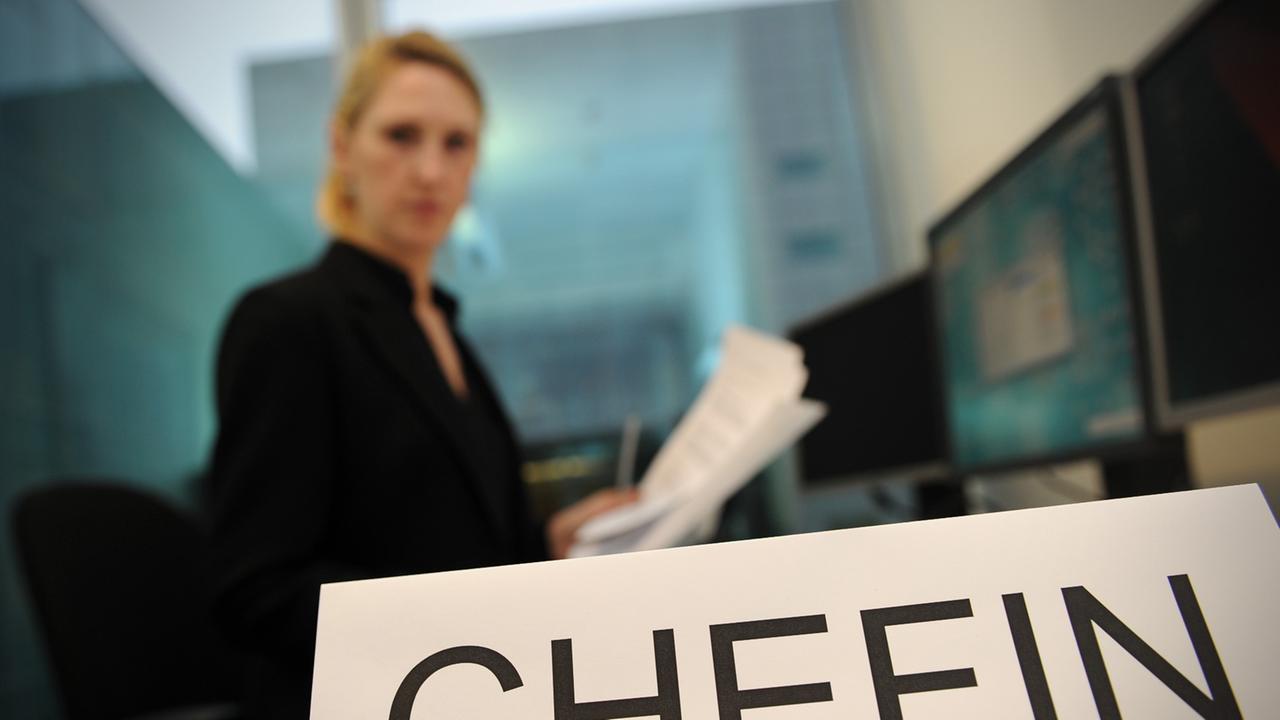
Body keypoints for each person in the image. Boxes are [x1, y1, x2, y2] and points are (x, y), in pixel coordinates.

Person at [204, 29, 636, 717]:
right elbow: (257, 589)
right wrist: (457, 625)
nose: (431, 170)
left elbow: (459, 547)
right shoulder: (289, 321)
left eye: (456, 143)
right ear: (343, 149)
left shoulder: (446, 334)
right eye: (402, 135)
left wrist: (553, 543)